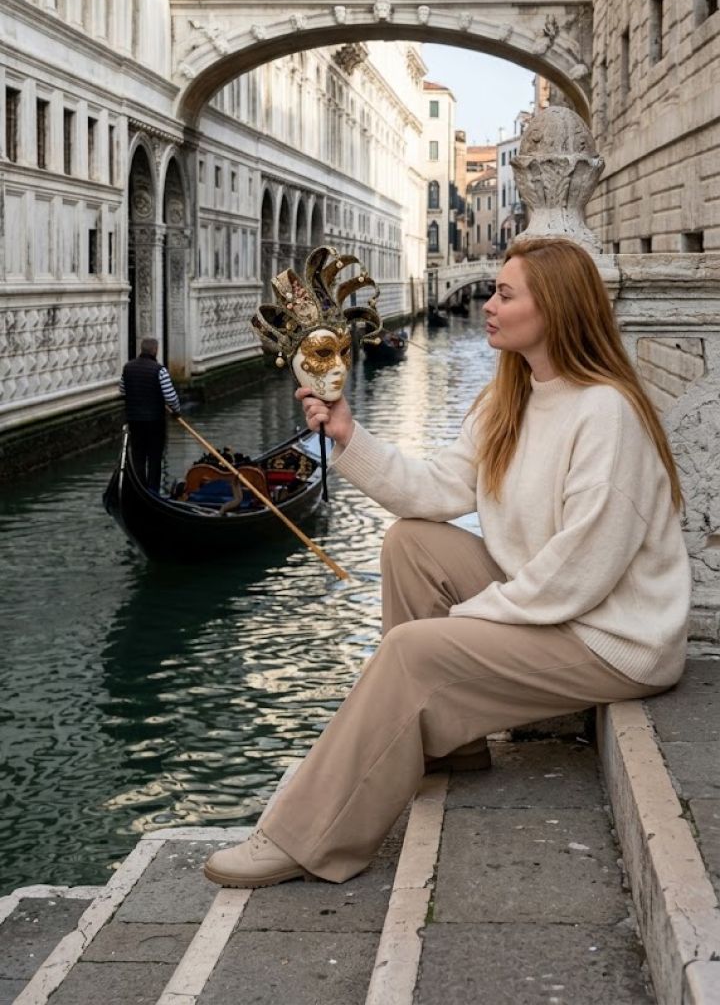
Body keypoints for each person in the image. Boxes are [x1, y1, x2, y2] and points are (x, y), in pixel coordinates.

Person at [204, 237, 691, 889]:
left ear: (556, 310)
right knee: (411, 542)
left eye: (505, 294)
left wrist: (459, 626)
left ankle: (309, 836)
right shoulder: (508, 400)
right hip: (556, 605)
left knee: (412, 654)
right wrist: (347, 432)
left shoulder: (607, 413)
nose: (487, 305)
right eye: (492, 290)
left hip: (613, 637)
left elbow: (581, 569)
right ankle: (449, 747)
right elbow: (431, 491)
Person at [119, 338, 180, 492]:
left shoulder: (128, 368)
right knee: (154, 457)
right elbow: (171, 397)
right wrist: (176, 411)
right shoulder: (159, 370)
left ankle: (140, 488)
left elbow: (122, 390)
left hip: (134, 420)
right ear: (155, 350)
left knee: (138, 456)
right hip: (155, 421)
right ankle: (153, 490)